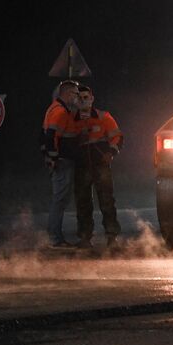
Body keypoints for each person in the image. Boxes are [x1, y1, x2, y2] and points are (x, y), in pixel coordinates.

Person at [73, 84, 123, 247]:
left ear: (92, 99)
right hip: (81, 166)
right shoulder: (70, 119)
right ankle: (85, 237)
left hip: (100, 165)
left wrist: (111, 153)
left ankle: (112, 236)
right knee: (82, 202)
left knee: (107, 200)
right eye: (80, 98)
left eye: (86, 97)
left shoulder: (103, 117)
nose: (83, 100)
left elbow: (117, 137)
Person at [40, 80, 83, 248]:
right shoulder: (60, 112)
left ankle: (55, 236)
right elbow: (51, 137)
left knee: (60, 200)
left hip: (61, 161)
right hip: (62, 162)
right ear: (66, 94)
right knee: (60, 200)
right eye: (75, 94)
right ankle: (55, 238)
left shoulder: (59, 109)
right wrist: (54, 159)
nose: (77, 97)